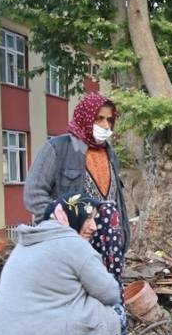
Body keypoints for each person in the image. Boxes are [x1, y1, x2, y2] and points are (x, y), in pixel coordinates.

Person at [0, 194, 123, 335]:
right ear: (70, 216)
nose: (94, 227)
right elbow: (110, 293)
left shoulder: (25, 243)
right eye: (88, 218)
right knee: (112, 312)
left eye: (95, 220)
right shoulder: (76, 246)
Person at [25, 93, 130, 252]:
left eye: (109, 120)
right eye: (99, 118)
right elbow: (33, 194)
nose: (106, 125)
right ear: (85, 117)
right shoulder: (57, 148)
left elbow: (117, 200)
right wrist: (59, 221)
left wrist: (123, 236)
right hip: (70, 242)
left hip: (109, 243)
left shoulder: (110, 153)